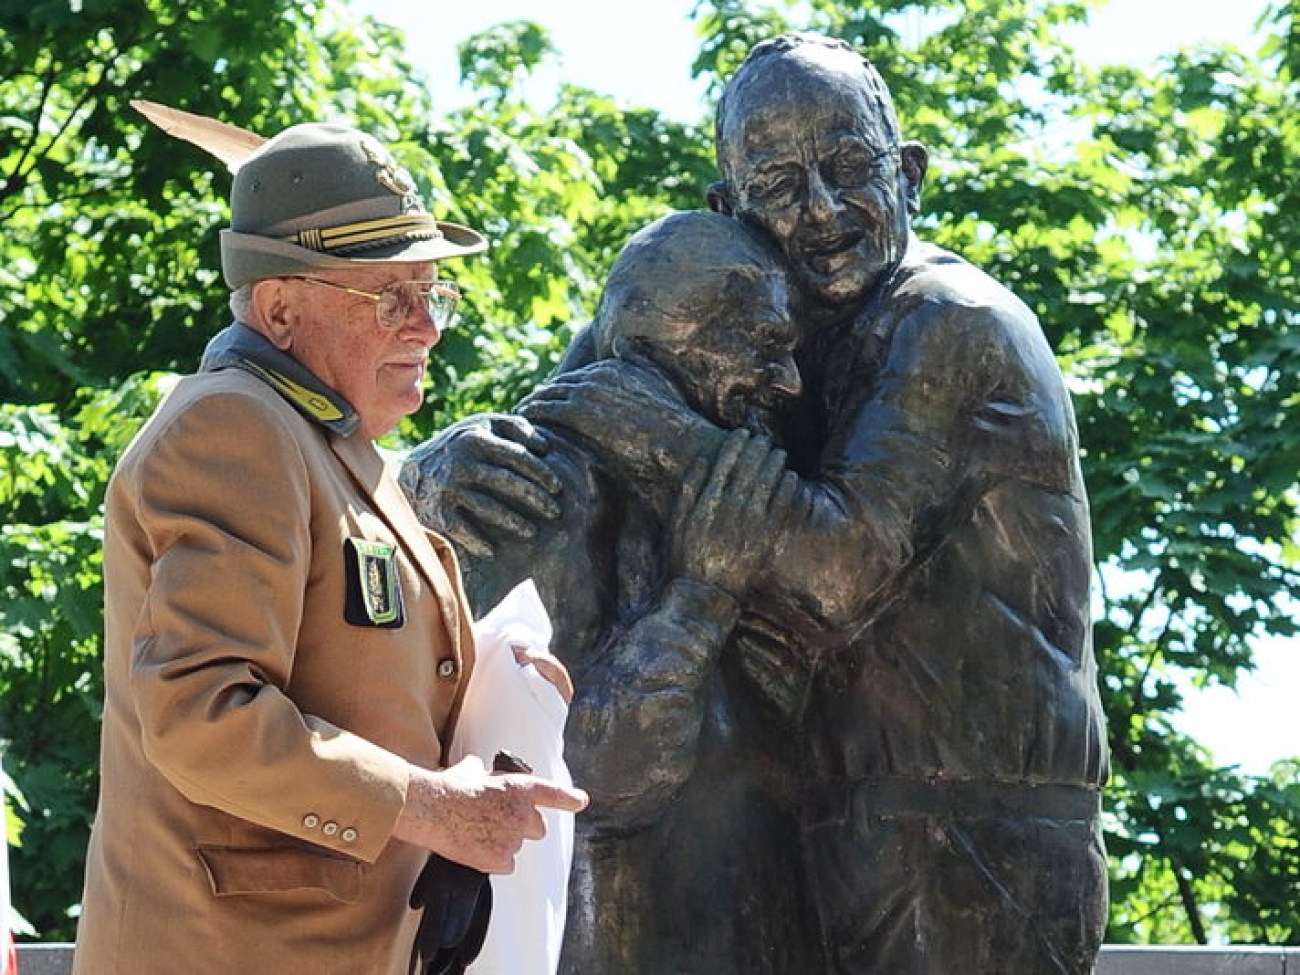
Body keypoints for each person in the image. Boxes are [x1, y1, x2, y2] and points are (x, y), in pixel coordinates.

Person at [410, 32, 1109, 975]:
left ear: (910, 173)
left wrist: (655, 432)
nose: (820, 208)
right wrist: (435, 464)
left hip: (968, 839)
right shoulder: (752, 314)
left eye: (849, 165)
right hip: (822, 828)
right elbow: (575, 412)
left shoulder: (949, 322)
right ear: (729, 209)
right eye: (778, 184)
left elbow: (837, 574)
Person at [72, 122, 587, 975]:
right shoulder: (234, 426)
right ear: (279, 309)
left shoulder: (326, 444)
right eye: (389, 297)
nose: (427, 326)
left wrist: (498, 684)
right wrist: (433, 808)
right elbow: (201, 715)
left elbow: (353, 683)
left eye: (433, 292)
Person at [404, 209, 816, 973]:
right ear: (667, 342)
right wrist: (701, 596)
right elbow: (583, 774)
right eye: (762, 347)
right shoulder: (535, 496)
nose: (787, 381)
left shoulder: (737, 467)